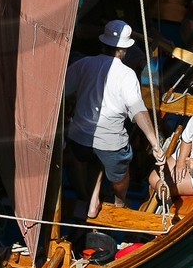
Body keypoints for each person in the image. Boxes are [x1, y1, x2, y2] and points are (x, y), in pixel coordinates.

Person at [64, 20, 165, 217]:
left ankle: (91, 202)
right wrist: (155, 143)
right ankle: (120, 203)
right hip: (110, 144)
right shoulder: (126, 75)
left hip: (79, 140)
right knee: (121, 176)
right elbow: (138, 111)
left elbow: (62, 91)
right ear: (124, 50)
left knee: (94, 160)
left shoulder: (83, 64)